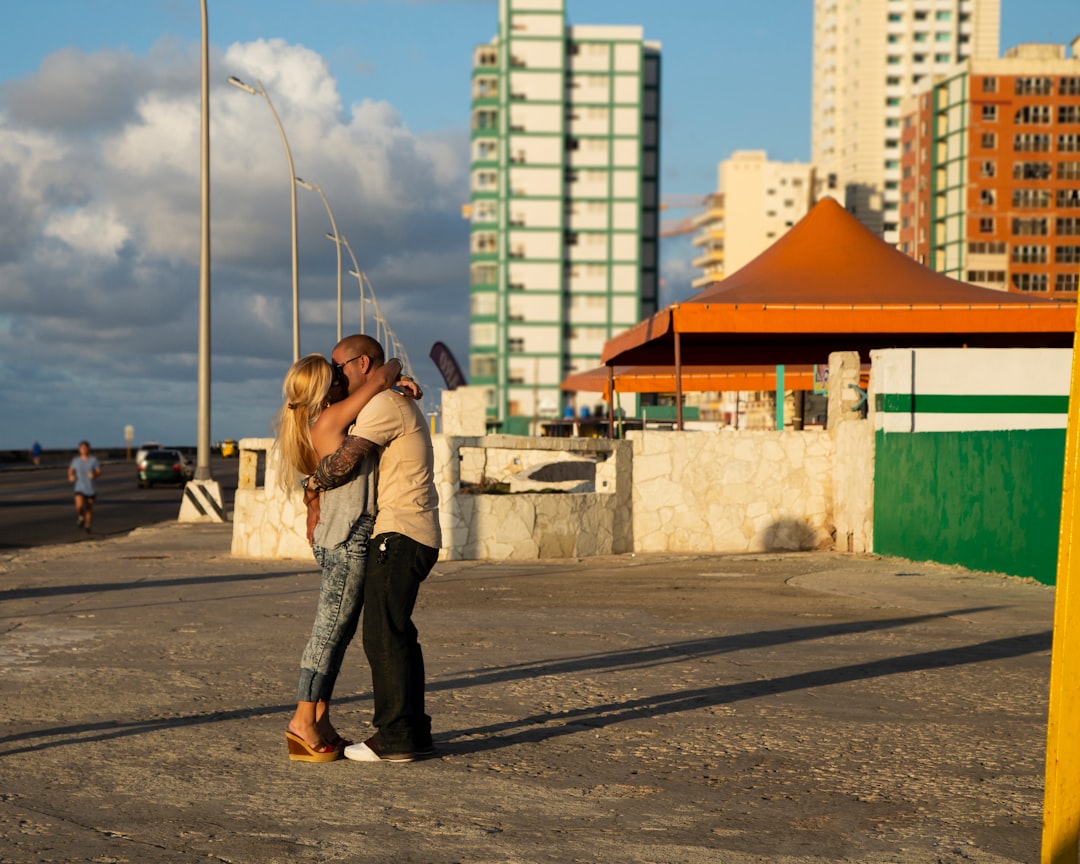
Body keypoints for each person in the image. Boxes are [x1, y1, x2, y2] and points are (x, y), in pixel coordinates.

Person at [273, 352, 418, 763]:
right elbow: (384, 370)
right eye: (335, 374)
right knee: (328, 634)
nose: (342, 377)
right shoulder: (332, 418)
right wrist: (395, 375)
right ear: (326, 389)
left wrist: (311, 497)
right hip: (347, 538)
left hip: (342, 535)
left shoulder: (331, 420)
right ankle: (302, 722)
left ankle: (320, 720)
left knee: (338, 634)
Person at [307, 334, 441, 763]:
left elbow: (341, 464)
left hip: (398, 532)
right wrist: (396, 375)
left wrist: (309, 484)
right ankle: (413, 732)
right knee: (398, 633)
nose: (336, 375)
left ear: (363, 364)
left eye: (340, 366)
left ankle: (396, 737)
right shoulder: (386, 399)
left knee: (383, 635)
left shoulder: (383, 406)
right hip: (412, 530)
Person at [68, 441, 102, 533]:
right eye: (81, 448)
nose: (83, 450)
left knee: (88, 508)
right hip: (79, 486)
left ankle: (87, 525)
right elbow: (71, 470)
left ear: (88, 449)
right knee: (79, 505)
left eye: (85, 448)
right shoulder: (76, 460)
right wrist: (71, 476)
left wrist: (94, 474)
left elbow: (99, 471)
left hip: (91, 488)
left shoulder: (93, 460)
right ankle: (80, 517)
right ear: (79, 449)